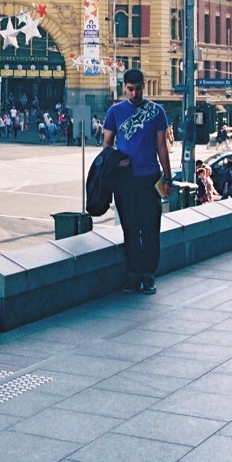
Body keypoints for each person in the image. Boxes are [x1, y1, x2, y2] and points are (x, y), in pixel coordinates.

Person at [103, 68, 172, 295]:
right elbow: (107, 145)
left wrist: (168, 177)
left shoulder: (156, 111)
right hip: (124, 180)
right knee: (130, 229)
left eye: (138, 89)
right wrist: (115, 161)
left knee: (151, 229)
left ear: (144, 86)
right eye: (130, 89)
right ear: (125, 88)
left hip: (150, 178)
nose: (134, 94)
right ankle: (133, 275)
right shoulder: (115, 112)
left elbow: (162, 146)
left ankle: (148, 275)